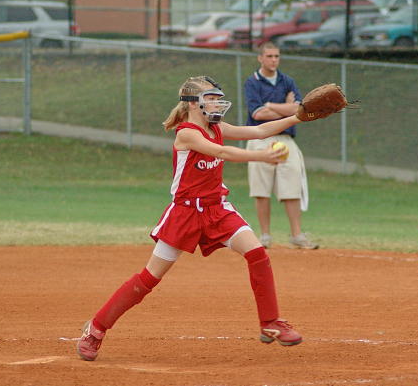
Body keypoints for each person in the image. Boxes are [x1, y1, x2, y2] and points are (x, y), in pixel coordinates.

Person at [77, 75, 314, 362]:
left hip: (217, 209)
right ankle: (96, 329)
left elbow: (260, 129)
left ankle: (270, 322)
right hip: (185, 214)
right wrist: (262, 157)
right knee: (149, 278)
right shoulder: (187, 133)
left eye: (217, 98)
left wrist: (298, 117)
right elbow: (221, 151)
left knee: (257, 254)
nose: (216, 103)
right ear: (192, 104)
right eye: (210, 98)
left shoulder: (218, 127)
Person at [244, 42, 318, 250]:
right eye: (269, 56)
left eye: (276, 56)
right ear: (260, 58)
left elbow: (299, 110)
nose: (273, 60)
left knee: (292, 185)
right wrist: (287, 108)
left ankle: (297, 235)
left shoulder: (287, 81)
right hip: (259, 138)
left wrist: (271, 106)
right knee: (261, 188)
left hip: (285, 139)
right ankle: (265, 236)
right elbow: (258, 114)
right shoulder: (252, 82)